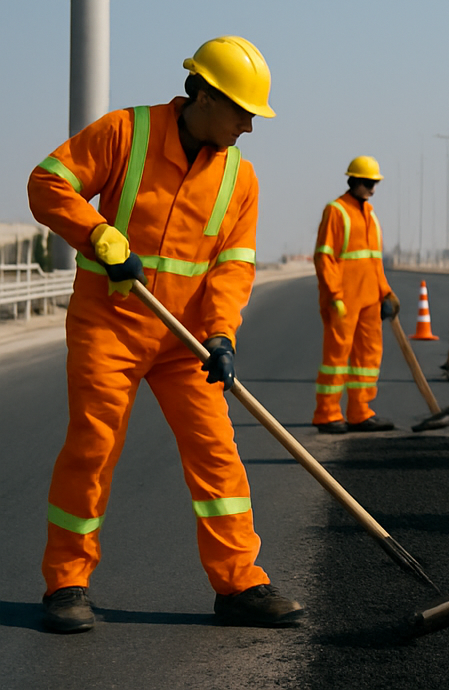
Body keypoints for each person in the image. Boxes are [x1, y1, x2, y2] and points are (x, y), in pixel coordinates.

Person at [28, 35, 303, 633]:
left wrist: (223, 336)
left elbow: (234, 266)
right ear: (202, 95)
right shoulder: (125, 133)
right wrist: (96, 233)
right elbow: (48, 184)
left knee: (217, 453)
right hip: (111, 325)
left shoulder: (241, 178)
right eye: (242, 113)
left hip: (186, 341)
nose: (249, 128)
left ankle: (239, 583)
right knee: (93, 448)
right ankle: (67, 583)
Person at [312, 156, 400, 433]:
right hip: (343, 301)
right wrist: (334, 296)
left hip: (370, 299)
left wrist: (386, 293)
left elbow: (374, 260)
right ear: (354, 181)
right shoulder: (336, 211)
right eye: (369, 183)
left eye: (375, 183)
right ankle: (327, 414)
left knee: (369, 357)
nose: (373, 189)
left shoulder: (370, 215)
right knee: (337, 357)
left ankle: (360, 411)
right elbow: (324, 257)